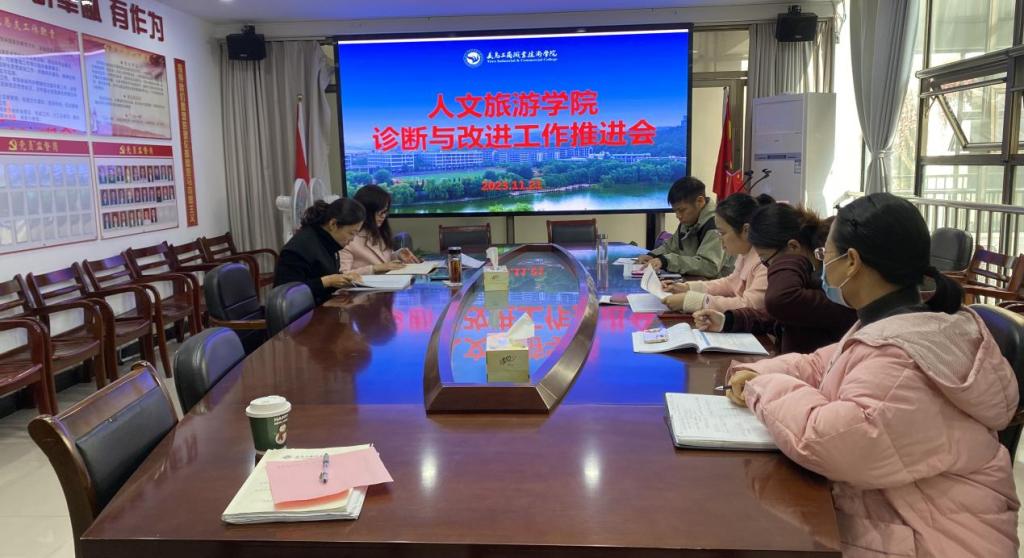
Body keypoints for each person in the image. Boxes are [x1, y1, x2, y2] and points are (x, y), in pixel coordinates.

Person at [725, 193, 1019, 557]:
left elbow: (831, 441)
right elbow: (821, 364)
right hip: (901, 510)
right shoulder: (903, 323)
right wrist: (755, 371)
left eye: (825, 255)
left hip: (935, 538)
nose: (821, 268)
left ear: (851, 261)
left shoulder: (902, 356)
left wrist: (762, 387)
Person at [692, 203, 857, 354]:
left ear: (793, 246)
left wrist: (791, 259)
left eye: (766, 259)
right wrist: (727, 321)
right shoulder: (805, 277)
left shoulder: (832, 288)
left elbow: (780, 300)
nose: (768, 267)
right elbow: (774, 316)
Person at [661, 192, 772, 314]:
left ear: (746, 230)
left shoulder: (765, 261)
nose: (719, 239)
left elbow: (750, 306)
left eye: (722, 233)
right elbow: (730, 283)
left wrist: (694, 301)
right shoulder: (746, 252)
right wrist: (686, 288)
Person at [274, 198, 366, 305]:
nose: (352, 239)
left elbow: (323, 273)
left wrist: (345, 278)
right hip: (302, 312)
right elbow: (288, 293)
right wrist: (327, 281)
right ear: (333, 224)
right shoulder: (299, 248)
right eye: (351, 233)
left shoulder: (327, 241)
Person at [636, 177, 728, 278]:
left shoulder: (716, 225)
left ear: (700, 201)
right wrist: (652, 255)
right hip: (696, 281)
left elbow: (710, 266)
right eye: (675, 211)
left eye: (682, 210)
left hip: (718, 284)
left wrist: (667, 261)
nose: (678, 216)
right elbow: (671, 247)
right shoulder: (689, 220)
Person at [340, 185, 419, 275]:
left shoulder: (379, 232)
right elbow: (343, 276)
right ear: (366, 211)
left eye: (385, 211)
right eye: (380, 212)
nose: (383, 216)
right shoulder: (347, 239)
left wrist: (397, 255)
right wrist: (374, 268)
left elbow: (383, 260)